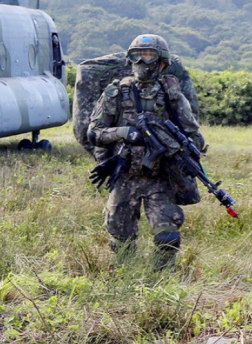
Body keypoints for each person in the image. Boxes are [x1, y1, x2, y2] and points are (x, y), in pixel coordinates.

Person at [88, 34, 205, 270]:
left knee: (167, 237)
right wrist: (124, 132)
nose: (142, 62)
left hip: (160, 177)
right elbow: (94, 132)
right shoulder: (116, 93)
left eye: (149, 56)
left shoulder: (172, 95)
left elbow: (193, 134)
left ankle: (160, 278)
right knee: (121, 238)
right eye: (136, 56)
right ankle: (125, 277)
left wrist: (185, 156)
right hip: (124, 175)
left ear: (162, 62)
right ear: (129, 59)